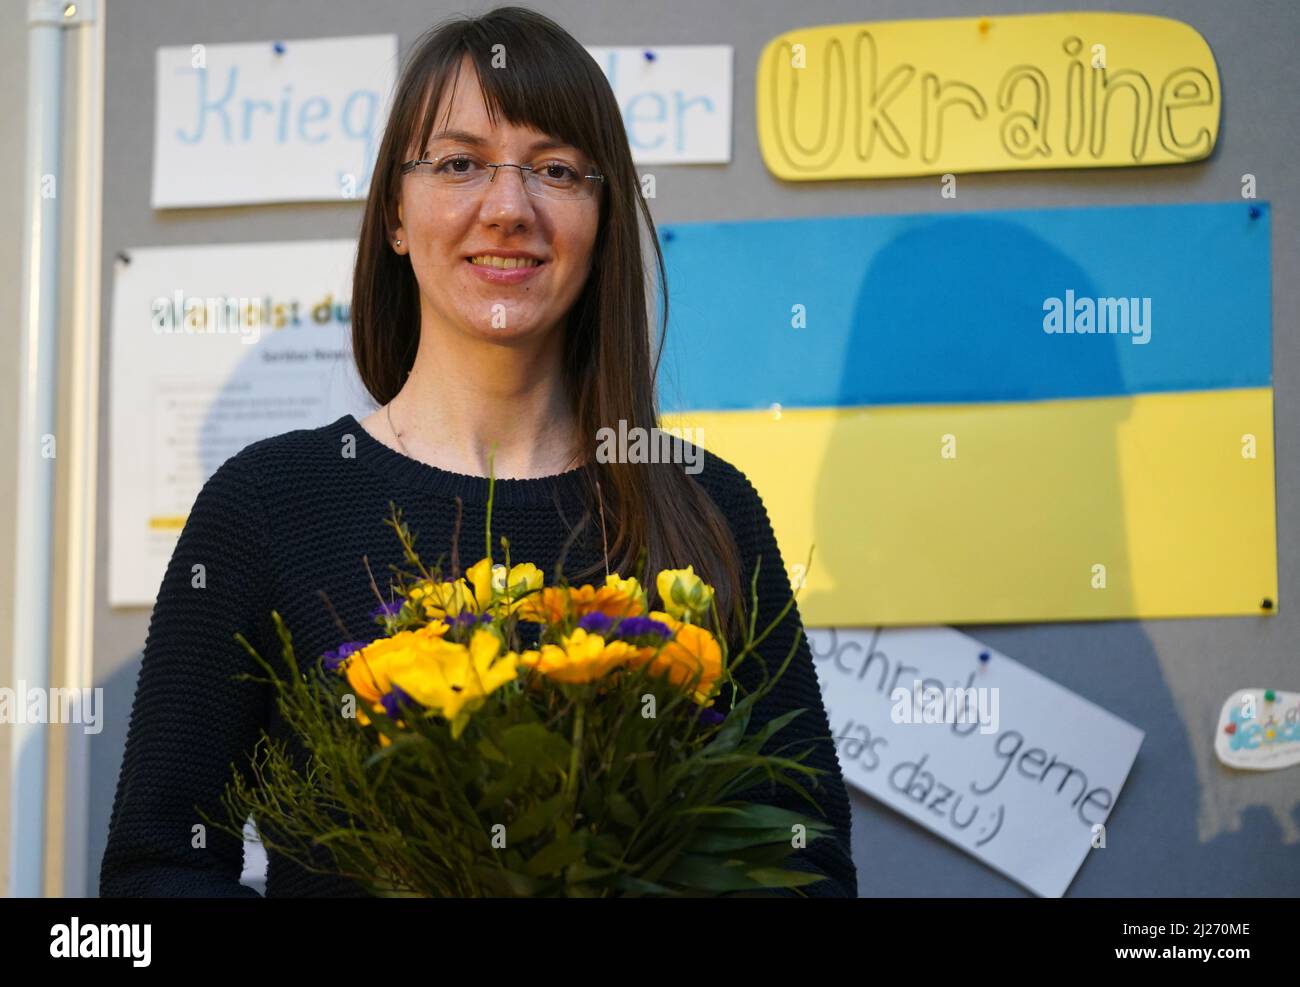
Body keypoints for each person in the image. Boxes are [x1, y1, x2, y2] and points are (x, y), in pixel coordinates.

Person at [100, 5, 857, 898]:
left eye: (556, 170)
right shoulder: (265, 506)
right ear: (394, 212)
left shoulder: (708, 506)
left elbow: (807, 862)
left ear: (603, 217)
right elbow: (158, 869)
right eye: (460, 164)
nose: (508, 208)